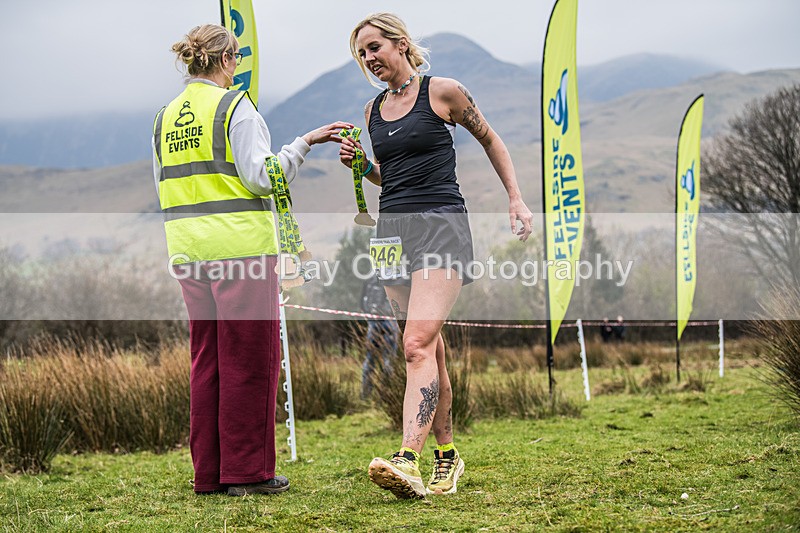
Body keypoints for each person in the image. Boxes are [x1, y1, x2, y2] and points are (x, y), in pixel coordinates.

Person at [339, 13, 533, 499]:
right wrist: (363, 166)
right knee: (427, 348)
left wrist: (515, 197)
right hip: (391, 234)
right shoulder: (372, 111)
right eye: (361, 54)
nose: (368, 59)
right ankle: (448, 456)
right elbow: (389, 176)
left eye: (374, 47)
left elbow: (490, 139)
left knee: (414, 345)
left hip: (441, 227)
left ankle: (408, 459)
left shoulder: (443, 92)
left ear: (400, 44)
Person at [152, 24, 351, 497]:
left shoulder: (164, 116)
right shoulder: (234, 107)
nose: (237, 67)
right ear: (227, 60)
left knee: (208, 361)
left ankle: (210, 475)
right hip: (240, 249)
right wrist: (302, 143)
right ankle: (247, 473)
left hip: (188, 250)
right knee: (250, 360)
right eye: (237, 59)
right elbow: (264, 177)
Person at [361, 273, 400, 399]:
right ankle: (387, 394)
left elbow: (362, 302)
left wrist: (369, 315)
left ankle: (365, 394)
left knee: (370, 358)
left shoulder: (369, 280)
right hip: (390, 321)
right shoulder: (396, 277)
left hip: (373, 321)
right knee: (388, 359)